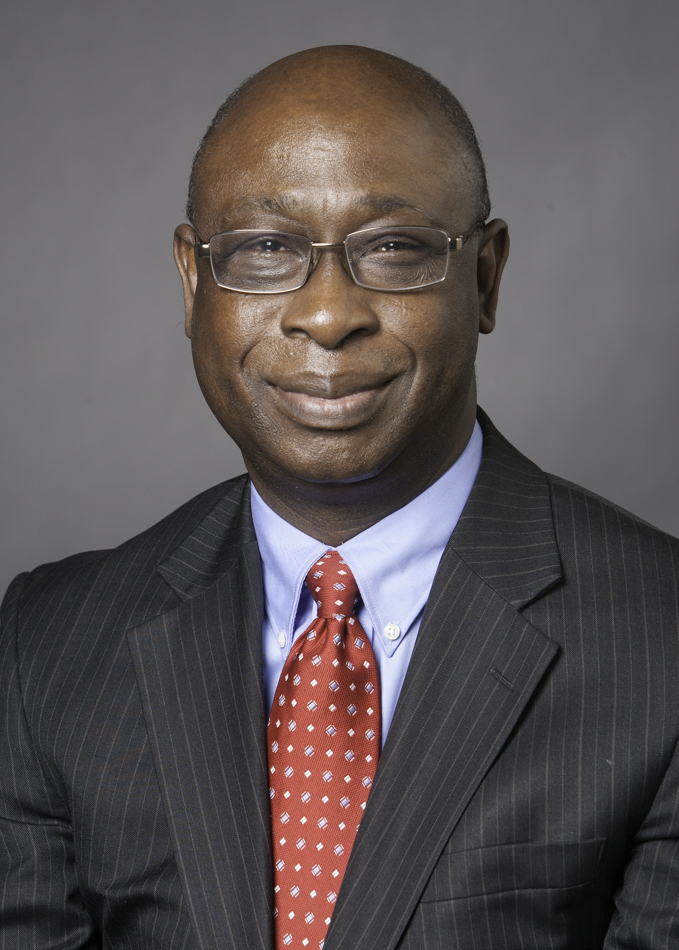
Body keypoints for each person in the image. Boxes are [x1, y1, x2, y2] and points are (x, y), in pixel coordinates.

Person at [1, 44, 677, 950]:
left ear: (483, 277)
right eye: (266, 248)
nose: (326, 313)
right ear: (193, 281)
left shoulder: (662, 640)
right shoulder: (47, 644)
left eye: (393, 249)